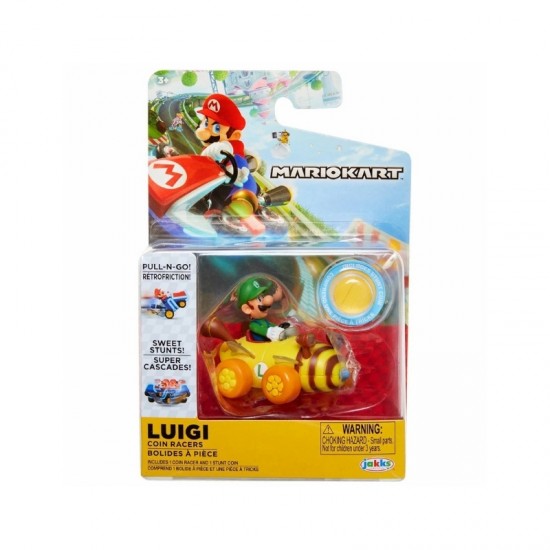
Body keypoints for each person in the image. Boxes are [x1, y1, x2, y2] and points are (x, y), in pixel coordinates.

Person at [236, 277, 293, 341]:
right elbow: (258, 329)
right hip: (261, 345)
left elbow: (272, 326)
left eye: (262, 297)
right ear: (247, 309)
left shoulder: (265, 321)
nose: (266, 301)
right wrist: (269, 332)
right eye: (259, 299)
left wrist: (280, 327)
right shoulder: (253, 325)